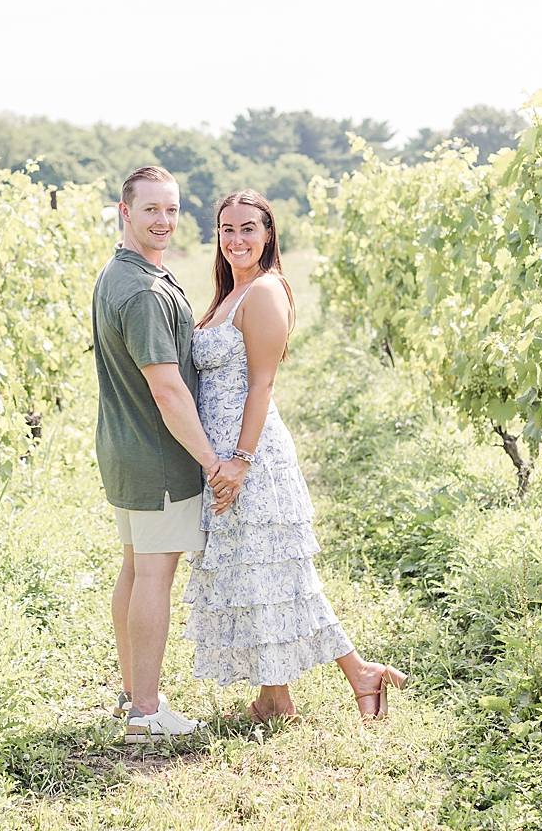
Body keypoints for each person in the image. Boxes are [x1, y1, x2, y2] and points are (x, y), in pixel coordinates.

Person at [183, 189, 407, 722]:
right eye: (227, 229)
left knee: (279, 574)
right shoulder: (228, 294)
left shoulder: (263, 292)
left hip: (250, 456)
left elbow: (261, 385)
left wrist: (240, 460)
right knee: (258, 574)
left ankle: (350, 674)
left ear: (268, 235)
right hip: (221, 454)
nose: (236, 239)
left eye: (247, 229)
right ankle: (278, 696)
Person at [93, 166, 221, 743]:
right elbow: (167, 389)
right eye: (151, 210)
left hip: (125, 450)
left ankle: (132, 695)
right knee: (153, 576)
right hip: (157, 455)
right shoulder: (143, 291)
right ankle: (146, 712)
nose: (164, 220)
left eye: (171, 209)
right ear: (126, 212)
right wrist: (211, 461)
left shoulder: (122, 274)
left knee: (136, 568)